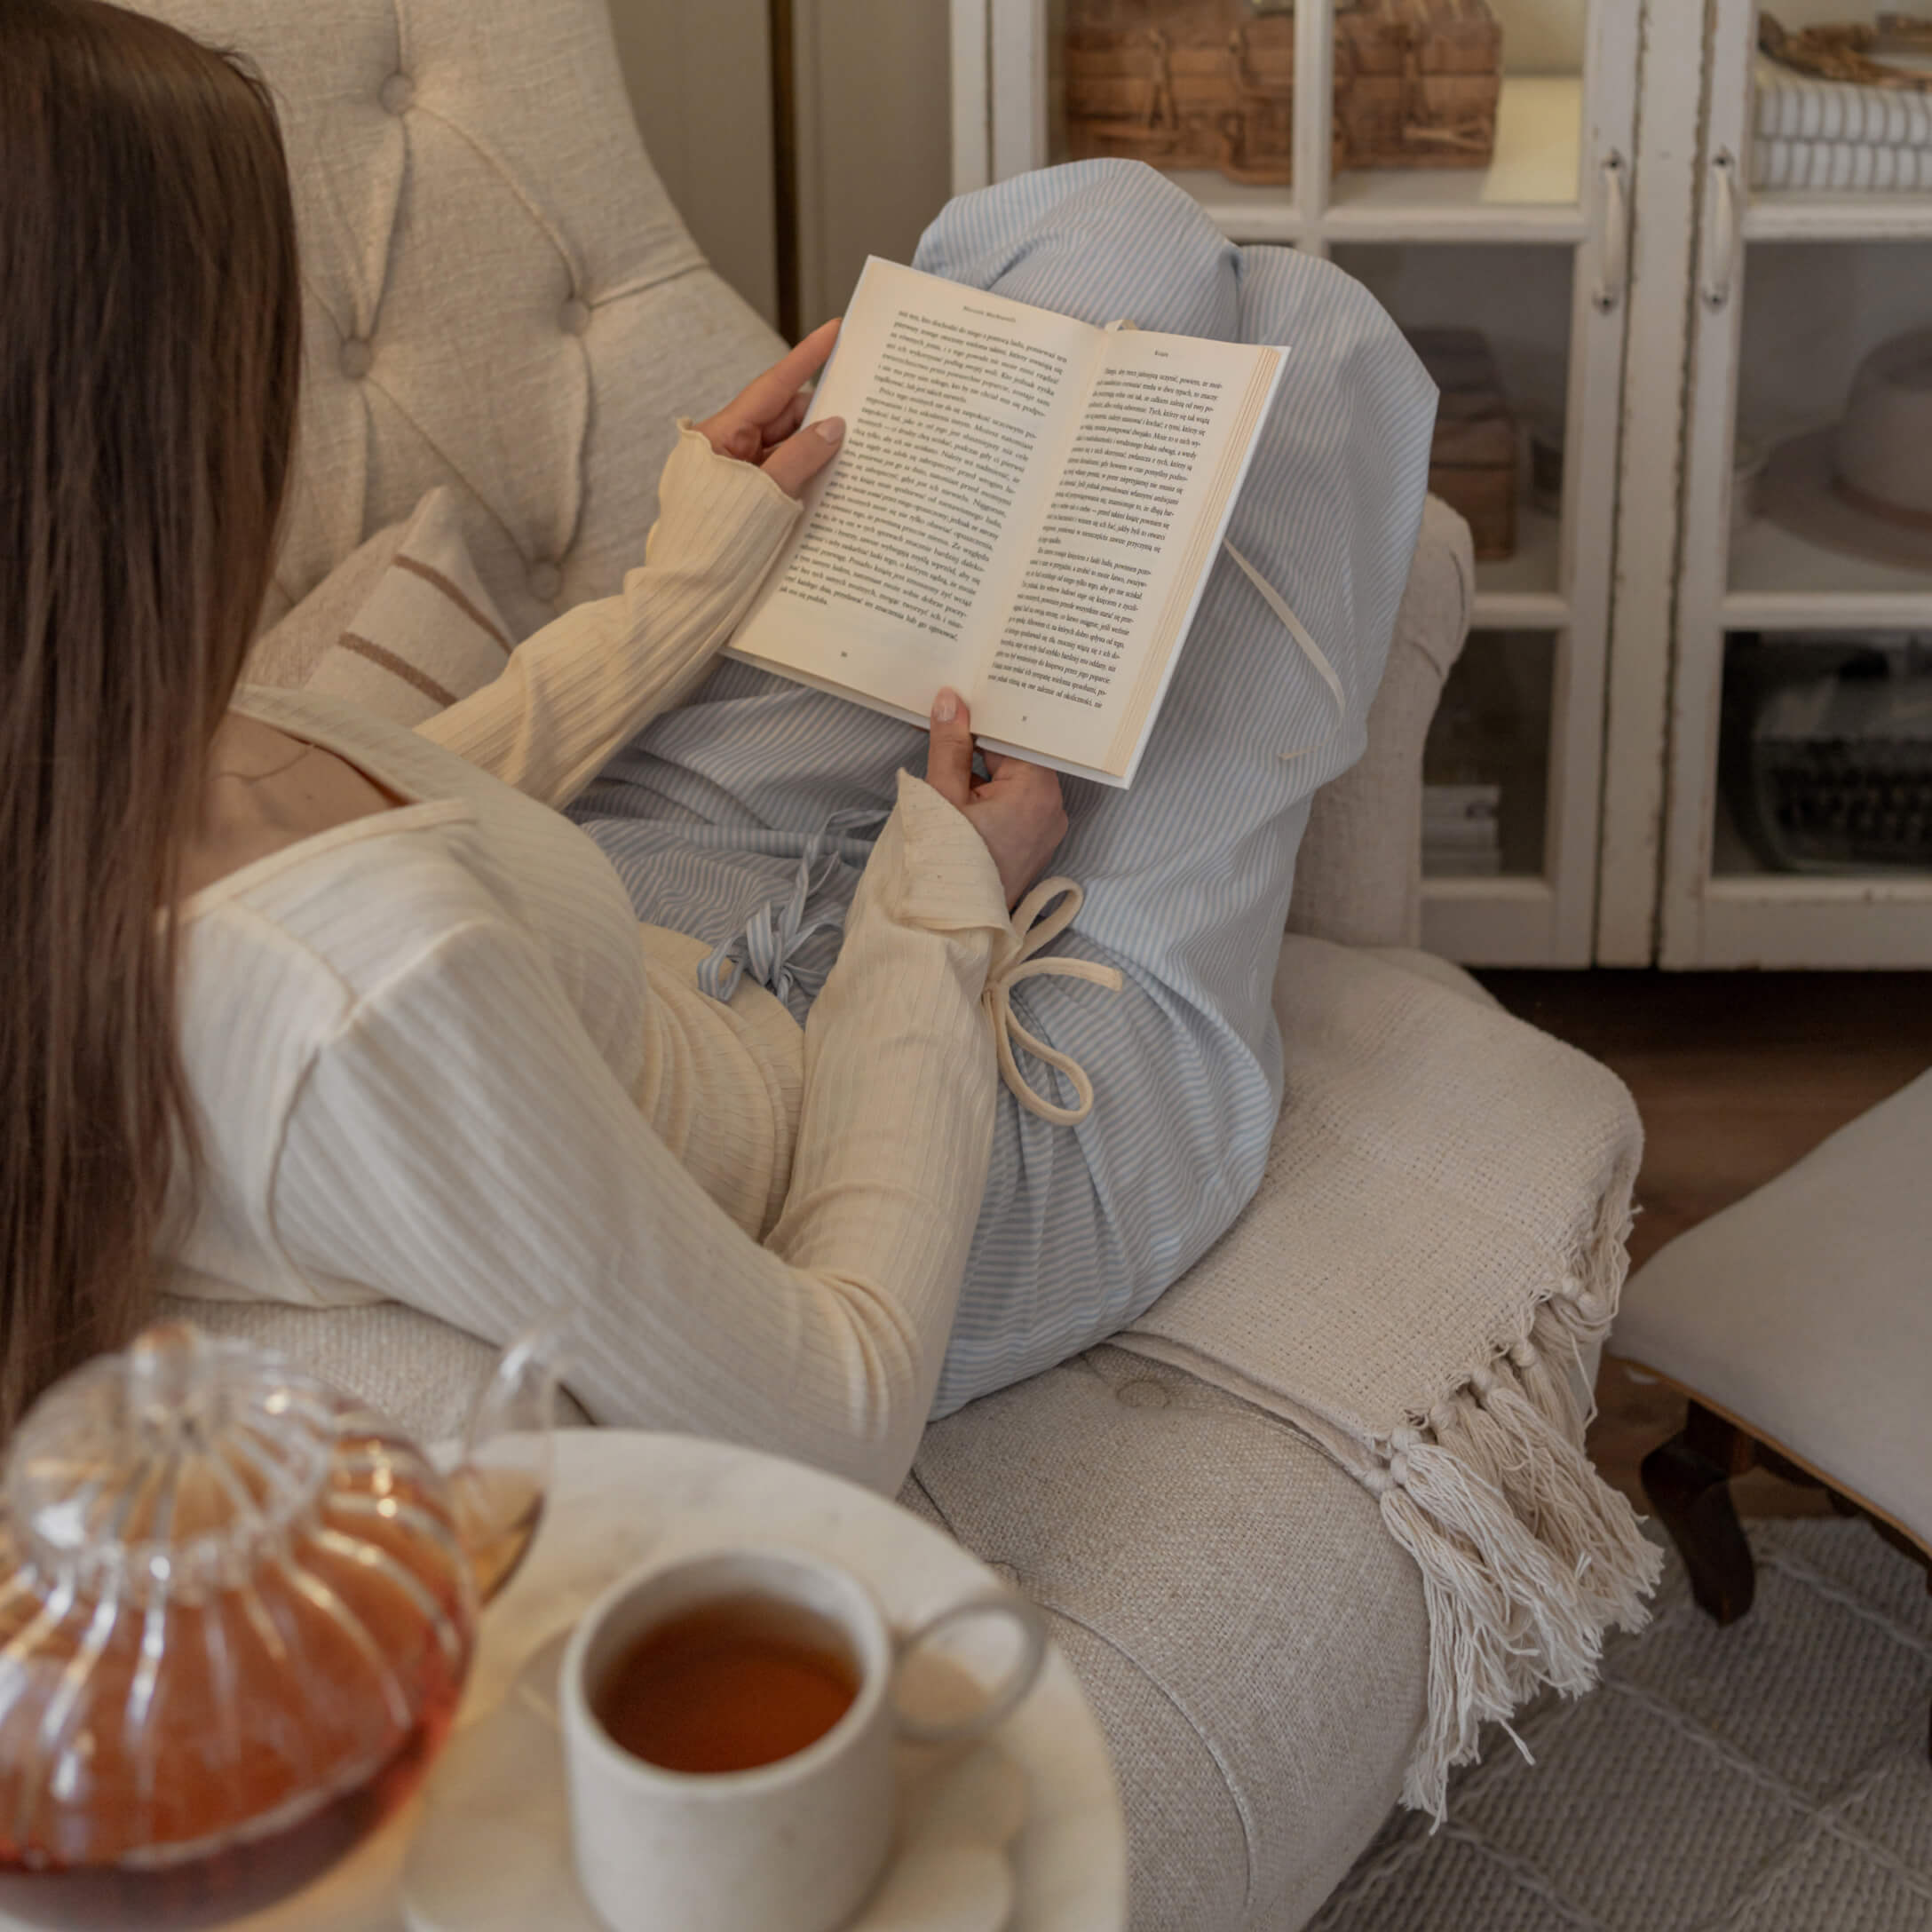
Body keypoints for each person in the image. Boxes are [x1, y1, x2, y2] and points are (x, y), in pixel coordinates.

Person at [1, 0, 1432, 1493]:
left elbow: (392, 785)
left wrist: (691, 570)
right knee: (1309, 349)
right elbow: (838, 1410)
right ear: (166, 429)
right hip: (869, 1154)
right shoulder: (365, 1009)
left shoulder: (75, 716)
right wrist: (943, 898)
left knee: (1119, 223)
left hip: (642, 890)